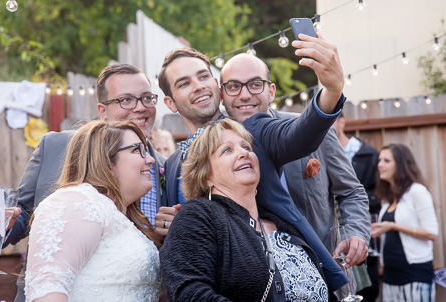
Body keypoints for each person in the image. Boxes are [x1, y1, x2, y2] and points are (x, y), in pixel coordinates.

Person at [156, 33, 350, 290]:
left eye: (203, 77)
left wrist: (331, 91)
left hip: (269, 278)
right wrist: (171, 226)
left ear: (216, 86)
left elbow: (298, 136)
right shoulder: (171, 165)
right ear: (170, 102)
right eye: (184, 83)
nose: (199, 86)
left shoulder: (251, 131)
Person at [0, 64, 167, 302]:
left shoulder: (165, 168)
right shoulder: (55, 147)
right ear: (102, 110)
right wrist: (0, 228)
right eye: (126, 100)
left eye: (147, 98)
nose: (140, 107)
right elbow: (24, 213)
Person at [219, 53, 370, 269]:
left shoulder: (314, 130)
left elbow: (351, 191)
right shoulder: (215, 147)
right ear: (221, 95)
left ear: (271, 92)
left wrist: (355, 233)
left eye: (255, 84)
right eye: (233, 86)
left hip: (322, 269)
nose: (245, 95)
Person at [161, 118, 330, 301]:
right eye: (227, 150)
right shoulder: (197, 216)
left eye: (247, 147)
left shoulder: (281, 223)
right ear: (205, 176)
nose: (243, 153)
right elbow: (189, 293)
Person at [25, 120, 162, 301]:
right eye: (137, 150)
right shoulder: (77, 202)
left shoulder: (125, 219)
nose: (151, 159)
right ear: (105, 160)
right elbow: (47, 287)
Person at [371, 143, 438, 301]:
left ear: (400, 165)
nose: (380, 164)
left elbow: (432, 233)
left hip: (415, 274)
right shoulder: (387, 199)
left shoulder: (417, 192)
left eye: (386, 161)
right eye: (380, 160)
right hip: (390, 276)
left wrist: (392, 226)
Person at [334, 113, 381, 300]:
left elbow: (379, 194)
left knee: (367, 286)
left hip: (364, 227)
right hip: (333, 231)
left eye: (332, 122)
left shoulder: (368, 154)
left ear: (342, 122)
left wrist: (352, 197)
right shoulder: (319, 152)